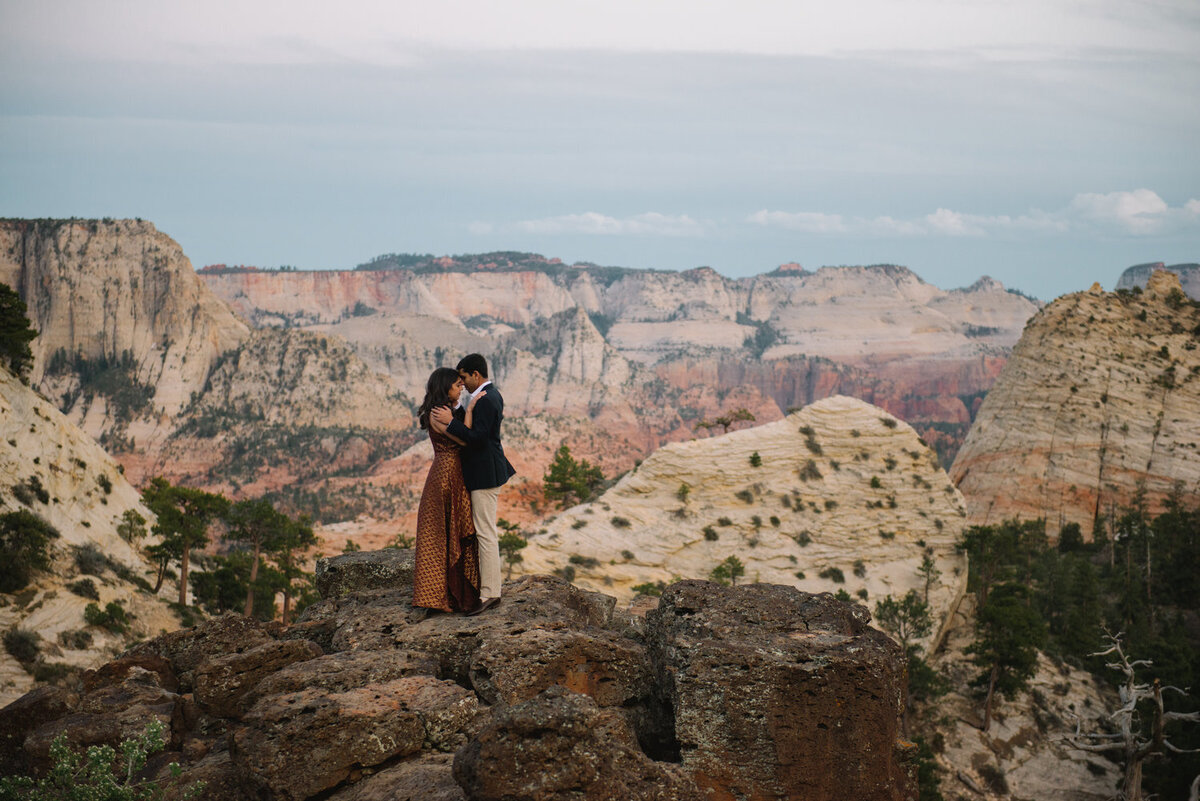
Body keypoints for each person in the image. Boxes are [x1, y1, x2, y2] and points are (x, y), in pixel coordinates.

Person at [431, 353, 515, 616]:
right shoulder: (489, 395)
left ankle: (490, 593)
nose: (463, 383)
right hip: (484, 473)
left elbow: (477, 440)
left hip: (485, 475)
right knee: (484, 531)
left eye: (464, 377)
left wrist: (451, 424)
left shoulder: (487, 399)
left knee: (485, 533)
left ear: (475, 375)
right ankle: (488, 589)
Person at [412, 367, 483, 613]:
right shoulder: (440, 413)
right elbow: (465, 440)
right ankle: (444, 596)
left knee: (452, 532)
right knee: (444, 534)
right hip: (446, 476)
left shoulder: (447, 411)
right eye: (456, 384)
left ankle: (454, 594)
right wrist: (471, 410)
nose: (461, 386)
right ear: (445, 388)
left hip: (453, 474)